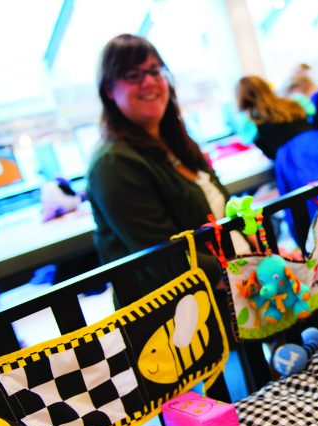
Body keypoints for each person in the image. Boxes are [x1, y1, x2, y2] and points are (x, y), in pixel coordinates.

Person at [87, 34, 249, 298]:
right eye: (133, 75)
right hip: (180, 321)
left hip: (229, 293)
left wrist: (263, 255)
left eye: (155, 71)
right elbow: (165, 257)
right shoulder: (114, 162)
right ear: (108, 90)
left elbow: (227, 210)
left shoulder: (176, 142)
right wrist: (247, 275)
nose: (149, 82)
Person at [236, 75, 318, 240]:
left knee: (313, 206)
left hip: (296, 160)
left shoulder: (252, 121)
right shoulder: (293, 104)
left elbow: (270, 153)